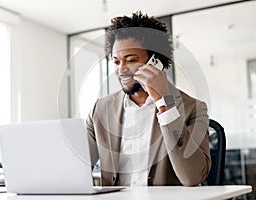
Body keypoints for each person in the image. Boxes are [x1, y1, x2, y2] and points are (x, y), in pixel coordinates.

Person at [86, 11, 211, 186]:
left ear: (155, 61)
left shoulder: (193, 108)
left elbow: (192, 178)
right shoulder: (100, 110)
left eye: (130, 60)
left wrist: (164, 104)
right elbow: (75, 168)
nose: (121, 69)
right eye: (116, 61)